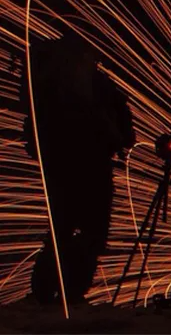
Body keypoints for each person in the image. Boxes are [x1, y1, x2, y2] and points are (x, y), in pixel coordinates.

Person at [22, 39, 135, 303]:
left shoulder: (58, 89)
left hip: (67, 170)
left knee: (66, 232)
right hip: (86, 170)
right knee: (86, 233)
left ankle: (53, 292)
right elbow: (125, 130)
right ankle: (66, 292)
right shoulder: (93, 89)